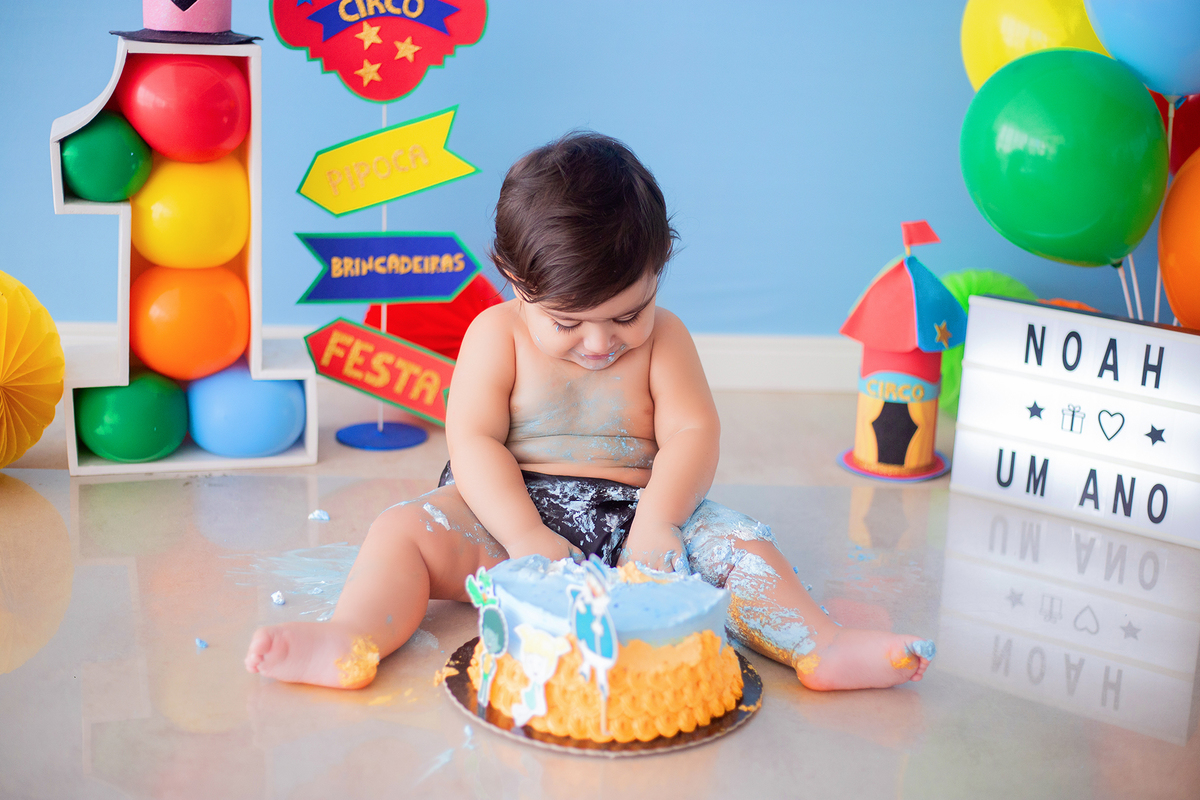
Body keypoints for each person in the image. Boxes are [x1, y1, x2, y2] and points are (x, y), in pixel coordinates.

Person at [245, 132, 934, 691]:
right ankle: (349, 638)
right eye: (570, 323)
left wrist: (663, 520)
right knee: (401, 532)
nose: (602, 342)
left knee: (743, 547)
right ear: (515, 283)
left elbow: (693, 433)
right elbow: (476, 441)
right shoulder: (496, 334)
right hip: (514, 514)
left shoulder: (667, 338)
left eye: (627, 314)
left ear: (659, 270)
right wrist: (523, 537)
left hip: (649, 519)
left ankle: (822, 644)